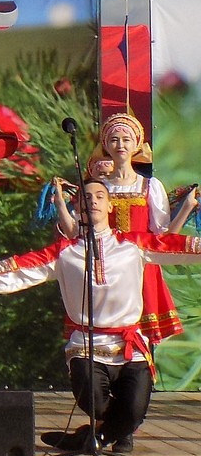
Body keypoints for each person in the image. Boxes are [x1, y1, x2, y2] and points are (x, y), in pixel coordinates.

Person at [0, 179, 201, 454]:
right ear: (77, 207)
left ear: (109, 206)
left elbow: (180, 246)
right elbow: (13, 270)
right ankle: (94, 435)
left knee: (132, 413)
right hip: (87, 345)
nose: (93, 201)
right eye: (86, 197)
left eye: (99, 197)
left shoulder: (134, 244)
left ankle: (90, 439)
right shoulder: (64, 252)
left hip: (130, 346)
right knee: (93, 403)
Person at [55, 114, 196, 347]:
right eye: (114, 140)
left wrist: (187, 207)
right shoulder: (98, 188)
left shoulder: (149, 185)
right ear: (106, 145)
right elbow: (75, 233)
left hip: (139, 267)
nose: (120, 145)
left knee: (139, 337)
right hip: (104, 265)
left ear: (136, 145)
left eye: (126, 140)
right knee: (103, 334)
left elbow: (163, 237)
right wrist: (60, 204)